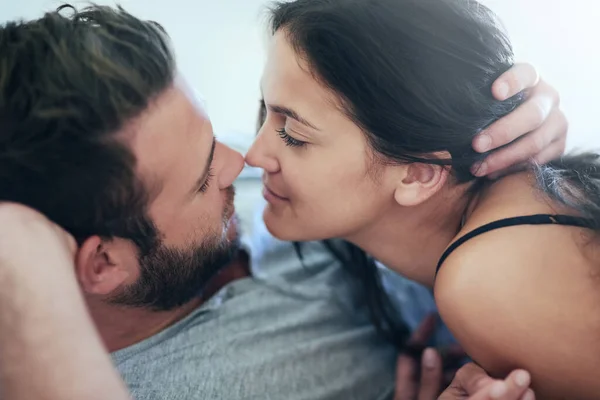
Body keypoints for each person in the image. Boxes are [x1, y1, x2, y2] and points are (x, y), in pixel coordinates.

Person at [0, 3, 566, 399]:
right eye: (202, 177)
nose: (240, 161)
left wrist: (493, 120)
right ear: (102, 263)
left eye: (217, 135)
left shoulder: (273, 199)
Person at [245, 0, 599, 398]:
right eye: (263, 109)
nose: (252, 156)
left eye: (293, 132)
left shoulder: (486, 275)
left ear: (418, 174)